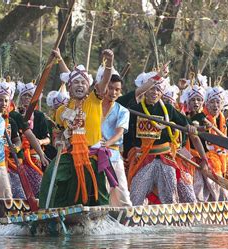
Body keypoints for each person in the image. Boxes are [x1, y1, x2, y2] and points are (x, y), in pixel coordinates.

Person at [39, 49, 114, 208]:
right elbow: (58, 136)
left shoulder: (94, 99)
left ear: (89, 87)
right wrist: (59, 141)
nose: (80, 85)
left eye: (83, 82)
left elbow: (105, 82)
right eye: (76, 82)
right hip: (69, 155)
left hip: (92, 156)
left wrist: (109, 64)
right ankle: (47, 210)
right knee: (51, 174)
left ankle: (103, 217)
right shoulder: (61, 111)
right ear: (70, 86)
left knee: (96, 193)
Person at [119, 69, 207, 205]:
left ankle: (176, 217)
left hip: (165, 159)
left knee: (171, 195)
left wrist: (204, 159)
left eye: (158, 90)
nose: (155, 93)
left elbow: (193, 134)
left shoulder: (168, 109)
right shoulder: (133, 107)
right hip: (142, 159)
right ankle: (131, 217)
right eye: (152, 89)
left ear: (162, 93)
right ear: (145, 90)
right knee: (135, 196)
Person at [189, 85, 228, 201]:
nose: (215, 105)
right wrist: (203, 128)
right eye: (212, 102)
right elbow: (195, 127)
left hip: (219, 158)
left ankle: (225, 203)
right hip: (199, 157)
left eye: (218, 102)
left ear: (222, 105)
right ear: (206, 104)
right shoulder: (200, 117)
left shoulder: (223, 121)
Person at [100, 71, 132, 207]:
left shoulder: (123, 111)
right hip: (92, 154)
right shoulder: (94, 106)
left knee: (122, 191)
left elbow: (119, 133)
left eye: (117, 90)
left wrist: (106, 144)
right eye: (110, 88)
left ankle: (126, 218)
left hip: (112, 154)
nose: (113, 92)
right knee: (101, 191)